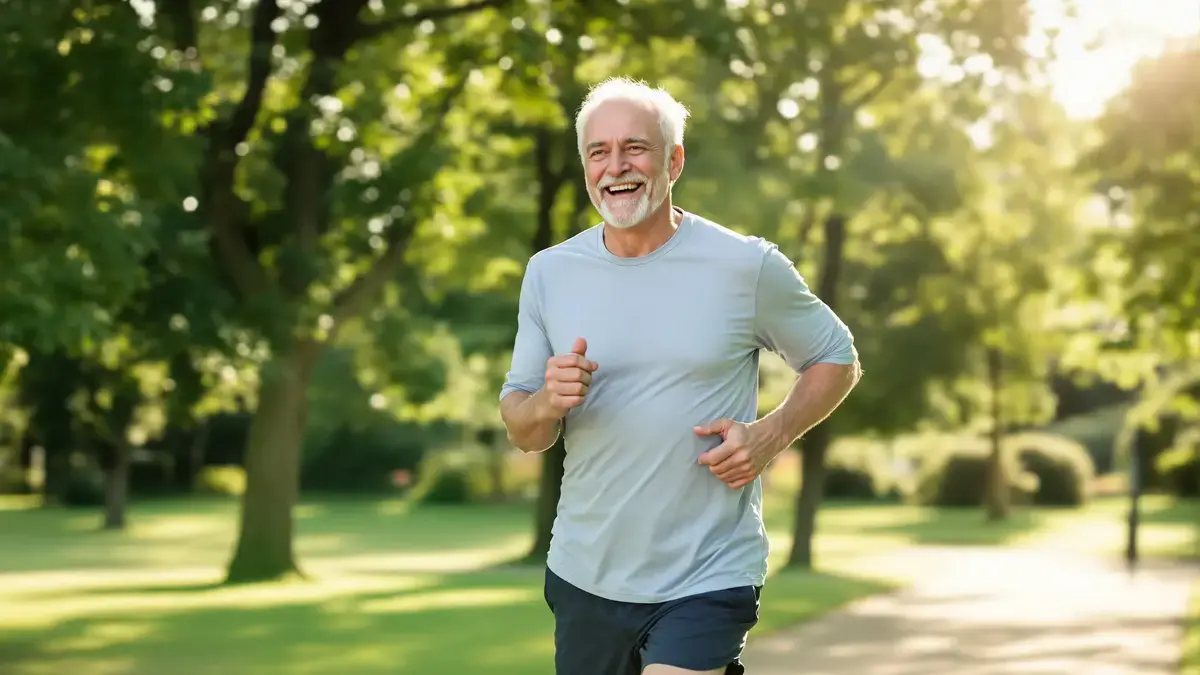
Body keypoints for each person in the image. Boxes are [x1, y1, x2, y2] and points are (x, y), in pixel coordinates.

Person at [498, 77, 862, 675]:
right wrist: (545, 403)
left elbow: (836, 357)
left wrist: (771, 434)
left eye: (635, 148)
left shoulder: (747, 266)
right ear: (587, 165)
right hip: (586, 572)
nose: (617, 166)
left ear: (675, 160)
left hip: (709, 570)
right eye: (600, 151)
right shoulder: (549, 273)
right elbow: (524, 429)